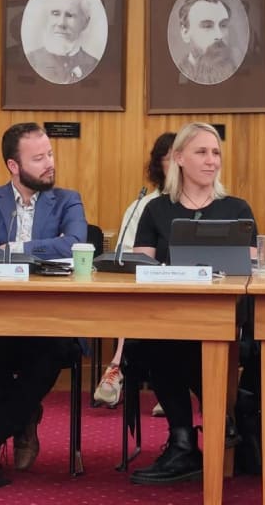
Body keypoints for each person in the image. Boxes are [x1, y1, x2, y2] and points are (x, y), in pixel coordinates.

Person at [125, 122, 257, 485]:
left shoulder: (237, 208)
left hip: (225, 319)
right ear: (179, 158)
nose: (211, 160)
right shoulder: (156, 211)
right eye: (202, 152)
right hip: (172, 316)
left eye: (216, 153)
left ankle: (194, 436)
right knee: (159, 340)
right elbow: (143, 270)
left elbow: (250, 274)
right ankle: (203, 429)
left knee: (174, 346)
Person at [0, 122, 88, 471]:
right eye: (38, 158)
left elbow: (74, 243)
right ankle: (25, 415)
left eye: (50, 154)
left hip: (51, 317)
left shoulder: (67, 200)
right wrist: (44, 247)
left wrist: (16, 248)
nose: (49, 163)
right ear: (13, 166)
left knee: (54, 350)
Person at [93, 131, 176, 409]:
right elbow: (125, 261)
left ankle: (122, 369)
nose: (176, 165)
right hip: (145, 292)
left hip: (186, 293)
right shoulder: (142, 206)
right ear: (158, 165)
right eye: (169, 159)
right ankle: (118, 366)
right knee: (133, 300)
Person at [26, 0, 100, 84]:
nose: (61, 23)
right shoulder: (31, 60)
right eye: (55, 14)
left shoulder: (94, 65)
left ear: (85, 23)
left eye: (69, 15)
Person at [174, 0, 240, 85]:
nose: (219, 35)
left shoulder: (234, 71)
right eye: (207, 26)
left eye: (223, 25)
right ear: (185, 33)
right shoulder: (178, 76)